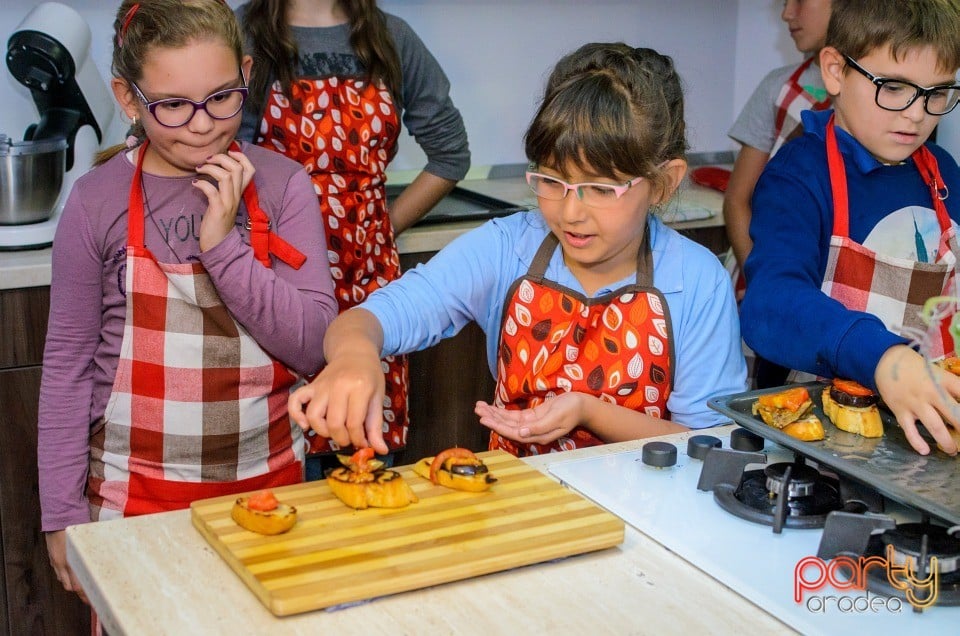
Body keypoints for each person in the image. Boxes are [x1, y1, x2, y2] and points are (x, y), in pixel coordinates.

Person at [288, 43, 747, 457]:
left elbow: (706, 444)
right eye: (551, 181)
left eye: (602, 189)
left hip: (647, 517)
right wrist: (354, 355)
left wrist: (589, 412)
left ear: (664, 183)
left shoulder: (697, 280)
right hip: (519, 505)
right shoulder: (509, 246)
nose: (571, 213)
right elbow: (371, 318)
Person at [38, 0, 338, 601]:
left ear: (247, 74)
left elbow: (312, 343)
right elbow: (67, 366)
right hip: (131, 501)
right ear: (129, 99)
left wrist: (223, 245)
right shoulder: (95, 202)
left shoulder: (283, 186)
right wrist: (61, 515)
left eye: (222, 97)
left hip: (270, 493)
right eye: (173, 105)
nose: (202, 125)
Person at [236, 0, 470, 466]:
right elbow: (225, 153)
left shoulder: (391, 37)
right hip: (279, 278)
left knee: (362, 456)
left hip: (368, 280)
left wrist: (384, 226)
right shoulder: (243, 33)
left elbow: (451, 154)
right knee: (286, 452)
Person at [740, 0, 960, 456]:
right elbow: (770, 304)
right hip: (824, 443)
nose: (917, 114)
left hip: (929, 434)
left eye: (938, 93)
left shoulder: (944, 174)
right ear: (836, 71)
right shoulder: (799, 176)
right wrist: (884, 358)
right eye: (894, 87)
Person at [725, 0, 832, 389]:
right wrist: (764, 282)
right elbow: (738, 200)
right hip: (767, 273)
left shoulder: (883, 100)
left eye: (800, 0)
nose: (788, 13)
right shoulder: (780, 88)